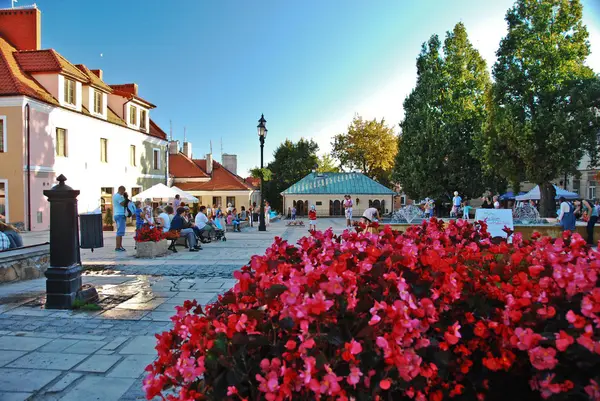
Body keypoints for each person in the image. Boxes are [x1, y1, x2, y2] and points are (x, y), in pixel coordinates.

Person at [112, 186, 127, 252]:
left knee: (120, 231)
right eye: (123, 191)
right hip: (120, 214)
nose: (123, 193)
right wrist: (126, 200)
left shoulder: (116, 196)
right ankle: (118, 247)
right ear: (121, 190)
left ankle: (120, 246)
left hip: (118, 214)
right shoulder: (118, 196)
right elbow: (122, 204)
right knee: (120, 231)